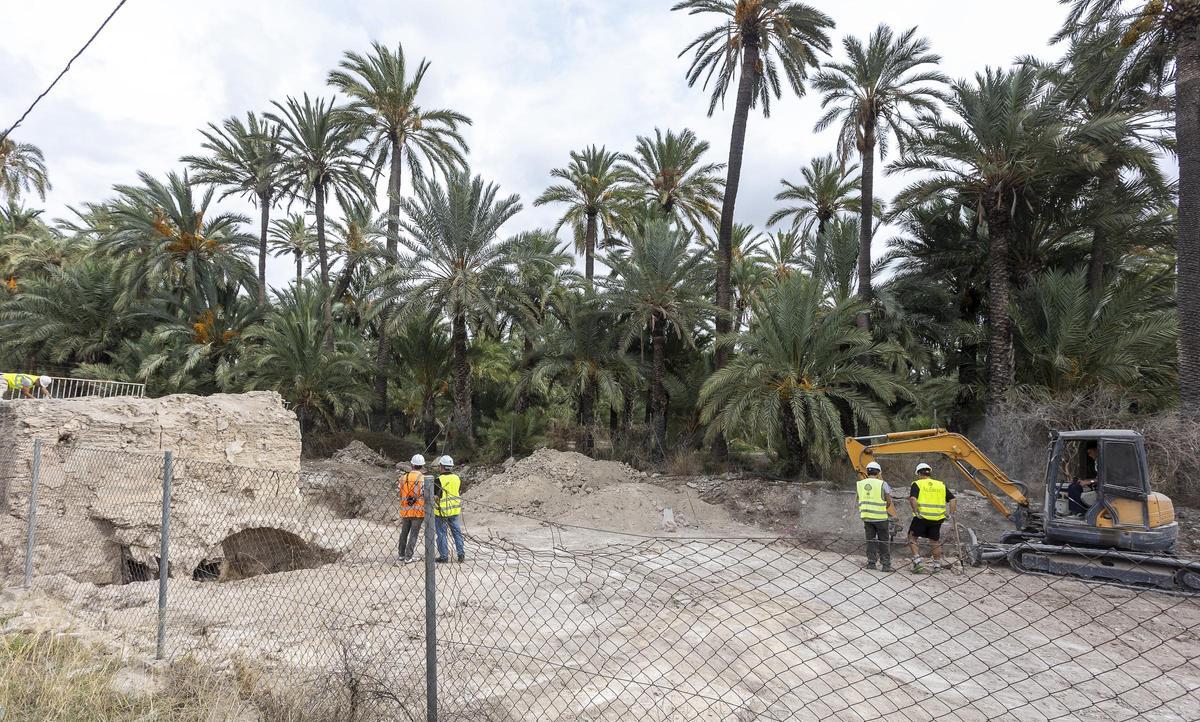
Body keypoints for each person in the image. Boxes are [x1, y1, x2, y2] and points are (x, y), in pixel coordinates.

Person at [907, 462, 957, 574]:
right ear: (929, 472)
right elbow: (953, 499)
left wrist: (915, 511)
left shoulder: (917, 484)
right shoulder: (940, 484)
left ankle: (918, 561)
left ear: (919, 473)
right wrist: (951, 514)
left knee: (912, 537)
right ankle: (937, 566)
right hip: (937, 518)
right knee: (934, 541)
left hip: (921, 517)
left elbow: (913, 499)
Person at [857, 461, 896, 572]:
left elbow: (861, 498)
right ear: (878, 472)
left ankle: (871, 563)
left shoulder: (860, 484)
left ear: (867, 471)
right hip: (880, 518)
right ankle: (886, 565)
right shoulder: (882, 484)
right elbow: (889, 501)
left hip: (867, 517)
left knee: (870, 540)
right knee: (883, 541)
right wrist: (883, 508)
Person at [434, 455, 465, 563]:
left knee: (442, 534)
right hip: (455, 511)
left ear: (441, 466)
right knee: (457, 533)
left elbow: (435, 496)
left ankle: (444, 556)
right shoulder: (457, 478)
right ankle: (461, 554)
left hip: (441, 512)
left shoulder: (438, 480)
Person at [397, 454, 426, 563]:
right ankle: (408, 557)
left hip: (406, 511)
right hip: (418, 512)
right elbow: (424, 493)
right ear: (422, 466)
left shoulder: (403, 477)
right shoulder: (422, 478)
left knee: (404, 533)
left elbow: (400, 492)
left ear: (412, 464)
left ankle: (401, 554)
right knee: (413, 534)